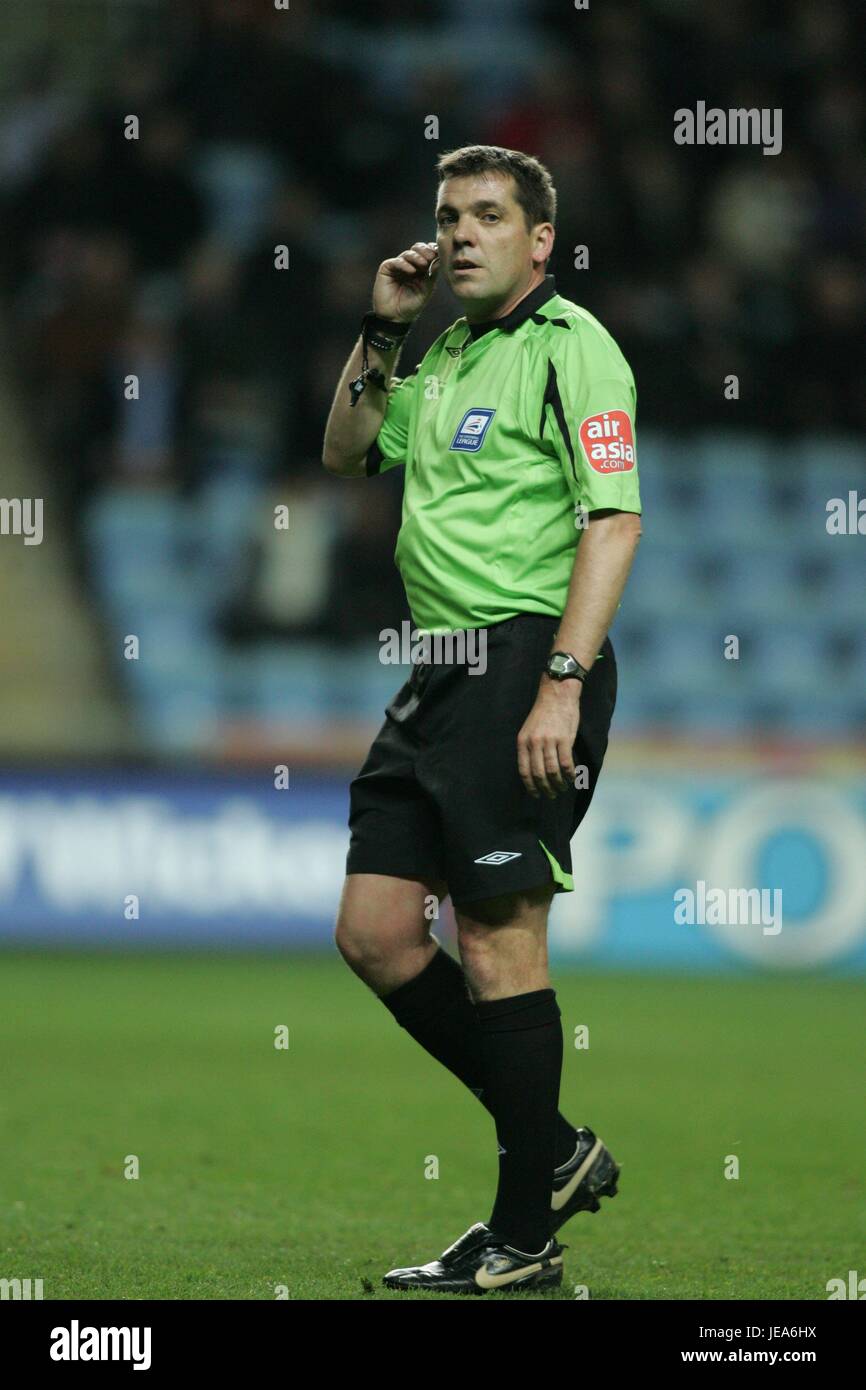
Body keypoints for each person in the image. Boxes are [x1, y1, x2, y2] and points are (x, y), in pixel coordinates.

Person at [322, 145, 642, 1294]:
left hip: (519, 661)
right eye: (449, 214)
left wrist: (561, 678)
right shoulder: (443, 352)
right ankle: (552, 1148)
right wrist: (380, 329)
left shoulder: (576, 351)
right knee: (373, 931)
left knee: (500, 940)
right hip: (435, 670)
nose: (459, 233)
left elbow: (613, 521)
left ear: (537, 239)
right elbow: (347, 449)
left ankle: (520, 1240)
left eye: (488, 216)